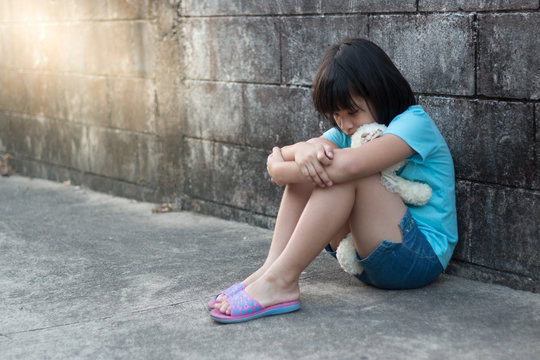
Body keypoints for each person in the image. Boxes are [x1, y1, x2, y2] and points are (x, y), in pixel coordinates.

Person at [209, 38, 458, 324]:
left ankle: (282, 281)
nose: (345, 124)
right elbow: (300, 153)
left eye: (352, 112)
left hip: (418, 259)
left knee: (342, 172)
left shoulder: (414, 123)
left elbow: (348, 166)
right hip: (364, 258)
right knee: (318, 160)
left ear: (381, 92)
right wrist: (303, 150)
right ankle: (270, 270)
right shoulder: (347, 133)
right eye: (336, 115)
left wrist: (280, 171)